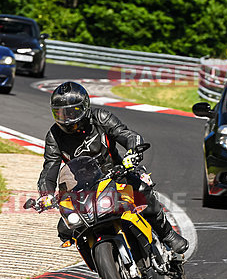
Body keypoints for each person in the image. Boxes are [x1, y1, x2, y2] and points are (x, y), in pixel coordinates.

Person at [36, 81, 189, 253]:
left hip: (117, 174)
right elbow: (50, 168)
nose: (67, 118)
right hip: (84, 188)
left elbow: (127, 135)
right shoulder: (54, 136)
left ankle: (167, 233)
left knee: (142, 190)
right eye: (60, 113)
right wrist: (45, 195)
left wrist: (132, 153)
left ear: (84, 107)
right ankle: (100, 259)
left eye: (72, 112)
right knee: (66, 228)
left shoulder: (100, 117)